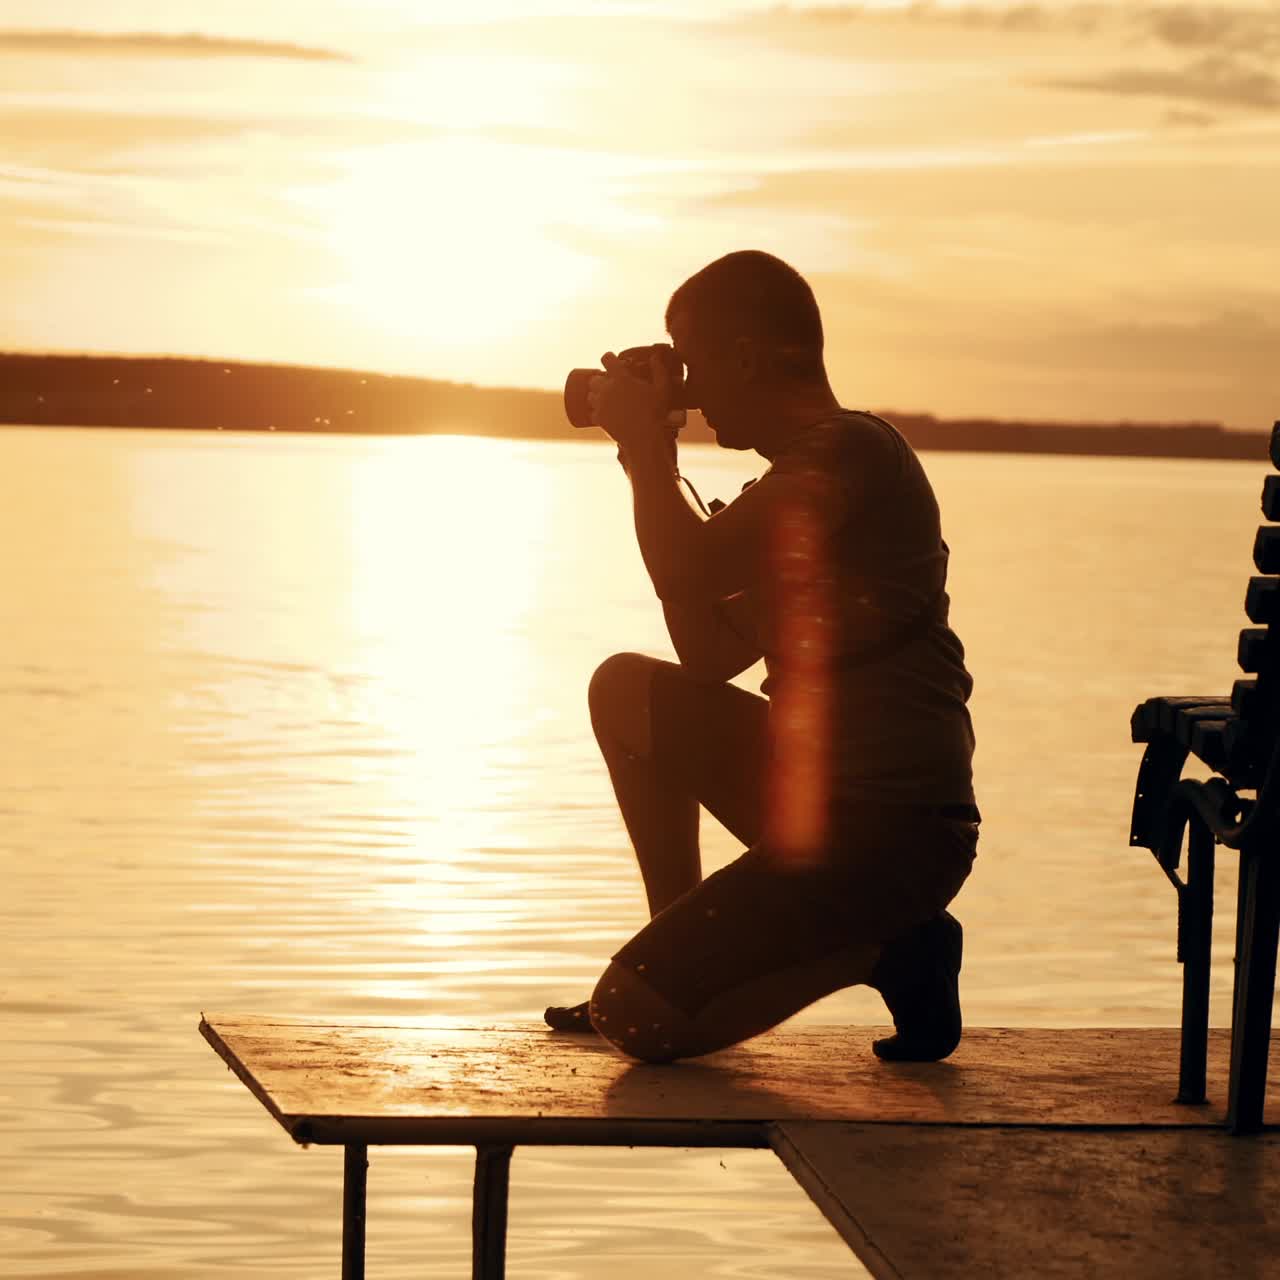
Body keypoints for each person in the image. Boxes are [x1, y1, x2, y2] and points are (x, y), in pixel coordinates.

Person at [544, 249, 979, 1064]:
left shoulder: (849, 456)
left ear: (744, 357)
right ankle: (675, 939)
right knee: (624, 691)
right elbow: (706, 654)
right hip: (818, 795)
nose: (689, 392)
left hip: (893, 836)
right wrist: (651, 458)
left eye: (691, 363)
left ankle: (895, 945)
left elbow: (687, 570)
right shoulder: (794, 481)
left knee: (634, 1020)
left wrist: (646, 452)